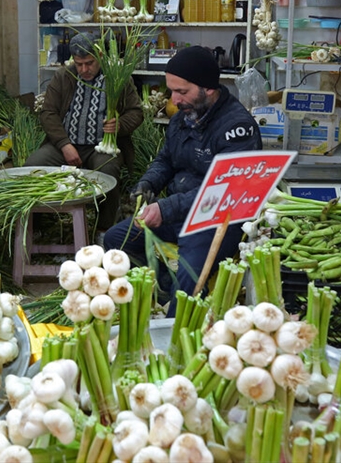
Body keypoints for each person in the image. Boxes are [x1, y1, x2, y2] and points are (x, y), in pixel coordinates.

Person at [102, 46, 262, 315]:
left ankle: (175, 332)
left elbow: (223, 190)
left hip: (216, 221)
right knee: (115, 239)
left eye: (182, 91)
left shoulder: (238, 128)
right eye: (172, 90)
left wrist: (165, 208)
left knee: (188, 279)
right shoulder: (183, 117)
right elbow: (165, 160)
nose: (174, 100)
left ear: (208, 88)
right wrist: (148, 183)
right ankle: (163, 283)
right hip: (179, 215)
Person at [26, 32, 144, 233]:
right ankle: (36, 225)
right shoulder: (64, 76)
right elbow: (48, 113)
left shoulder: (116, 76)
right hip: (66, 144)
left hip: (102, 147)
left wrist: (120, 125)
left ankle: (104, 229)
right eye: (79, 64)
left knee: (108, 172)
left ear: (99, 56)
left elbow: (136, 112)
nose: (84, 69)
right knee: (33, 166)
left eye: (89, 63)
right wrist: (64, 144)